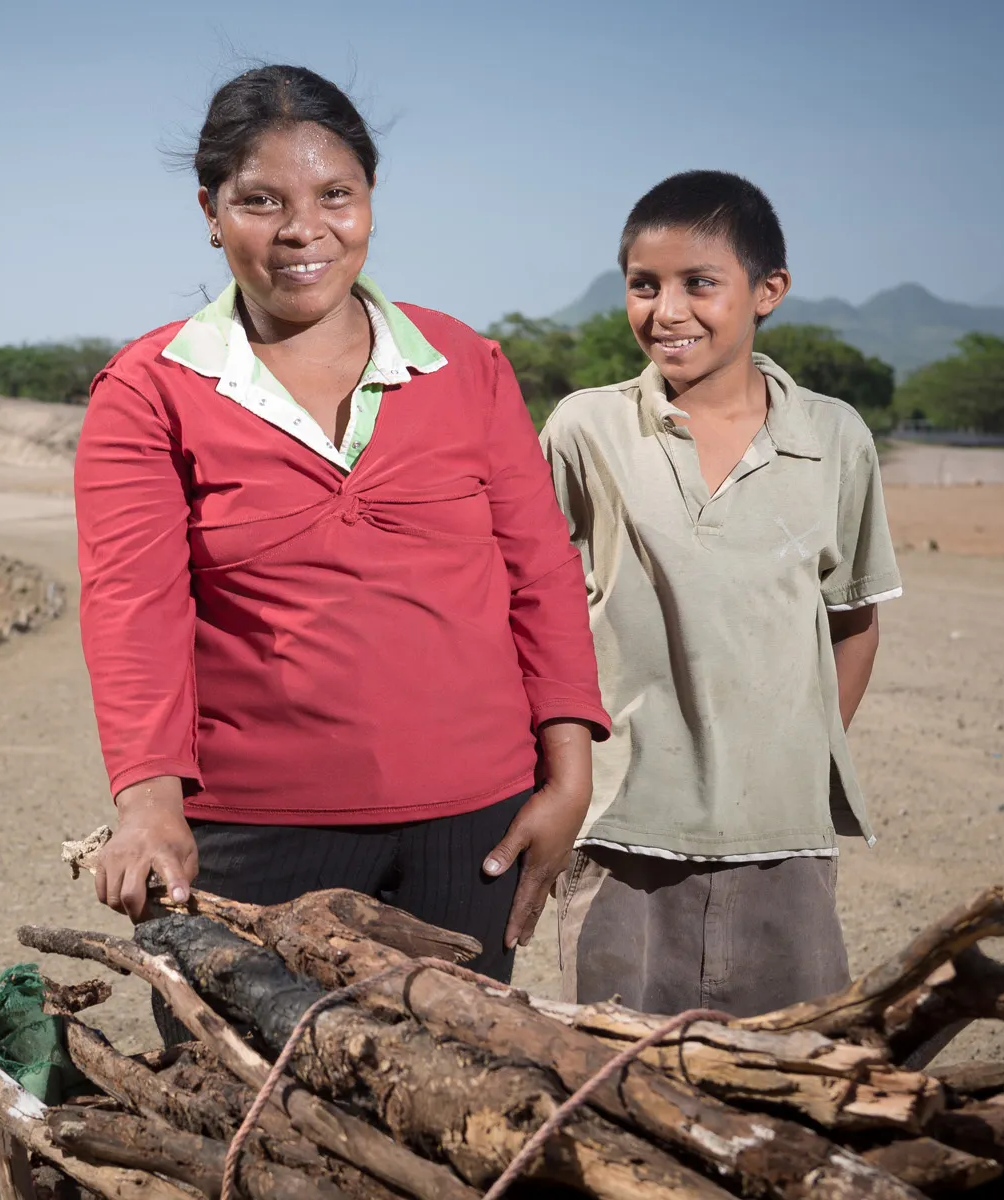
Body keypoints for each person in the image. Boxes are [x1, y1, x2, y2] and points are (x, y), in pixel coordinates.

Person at [75, 65, 608, 982]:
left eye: (336, 195)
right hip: (254, 835)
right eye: (260, 200)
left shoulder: (464, 364)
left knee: (450, 1103)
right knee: (255, 1105)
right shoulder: (149, 390)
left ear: (370, 201)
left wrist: (568, 777)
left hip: (473, 827)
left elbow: (542, 574)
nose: (302, 230)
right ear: (210, 210)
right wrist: (149, 805)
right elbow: (134, 607)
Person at [541, 170, 901, 1015]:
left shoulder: (834, 436)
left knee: (787, 1083)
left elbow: (853, 622)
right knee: (615, 1090)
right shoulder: (584, 430)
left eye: (699, 283)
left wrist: (794, 757)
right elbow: (530, 613)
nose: (667, 311)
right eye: (644, 285)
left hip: (783, 841)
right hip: (622, 830)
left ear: (768, 290)